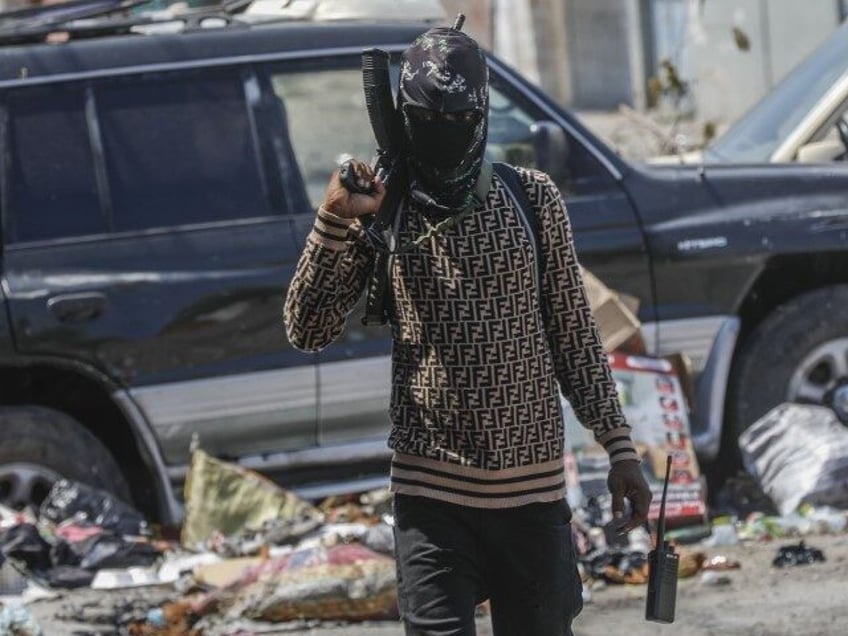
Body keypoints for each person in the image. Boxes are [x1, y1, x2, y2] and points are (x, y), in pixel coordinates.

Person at [284, 24, 652, 636]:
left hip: (532, 499)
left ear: (480, 115)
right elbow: (306, 327)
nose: (447, 132)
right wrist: (334, 222)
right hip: (431, 498)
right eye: (431, 120)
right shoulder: (384, 207)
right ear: (405, 118)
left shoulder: (531, 199)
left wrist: (619, 447)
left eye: (460, 118)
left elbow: (574, 336)